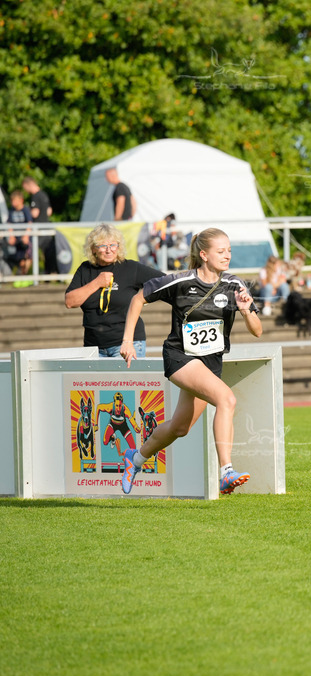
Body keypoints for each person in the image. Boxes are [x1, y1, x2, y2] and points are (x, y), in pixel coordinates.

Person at [120, 227, 263, 496]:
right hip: (180, 357)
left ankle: (134, 459)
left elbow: (257, 331)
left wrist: (245, 310)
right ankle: (226, 472)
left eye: (229, 250)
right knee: (227, 399)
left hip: (210, 363)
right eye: (221, 251)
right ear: (203, 254)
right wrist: (127, 340)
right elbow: (138, 298)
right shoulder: (180, 281)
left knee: (180, 427)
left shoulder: (235, 285)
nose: (227, 256)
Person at [65, 224, 164, 357]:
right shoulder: (85, 269)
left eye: (113, 245)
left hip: (126, 345)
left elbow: (165, 282)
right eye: (103, 246)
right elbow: (70, 302)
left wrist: (143, 298)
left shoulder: (130, 268)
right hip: (93, 348)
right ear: (93, 249)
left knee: (124, 379)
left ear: (119, 247)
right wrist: (96, 283)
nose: (108, 250)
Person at [22, 177, 56, 273]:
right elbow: (49, 211)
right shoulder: (44, 194)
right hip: (47, 227)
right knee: (48, 253)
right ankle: (49, 274)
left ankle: (24, 274)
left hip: (39, 229)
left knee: (30, 252)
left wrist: (27, 211)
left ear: (27, 185)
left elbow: (35, 213)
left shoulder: (35, 196)